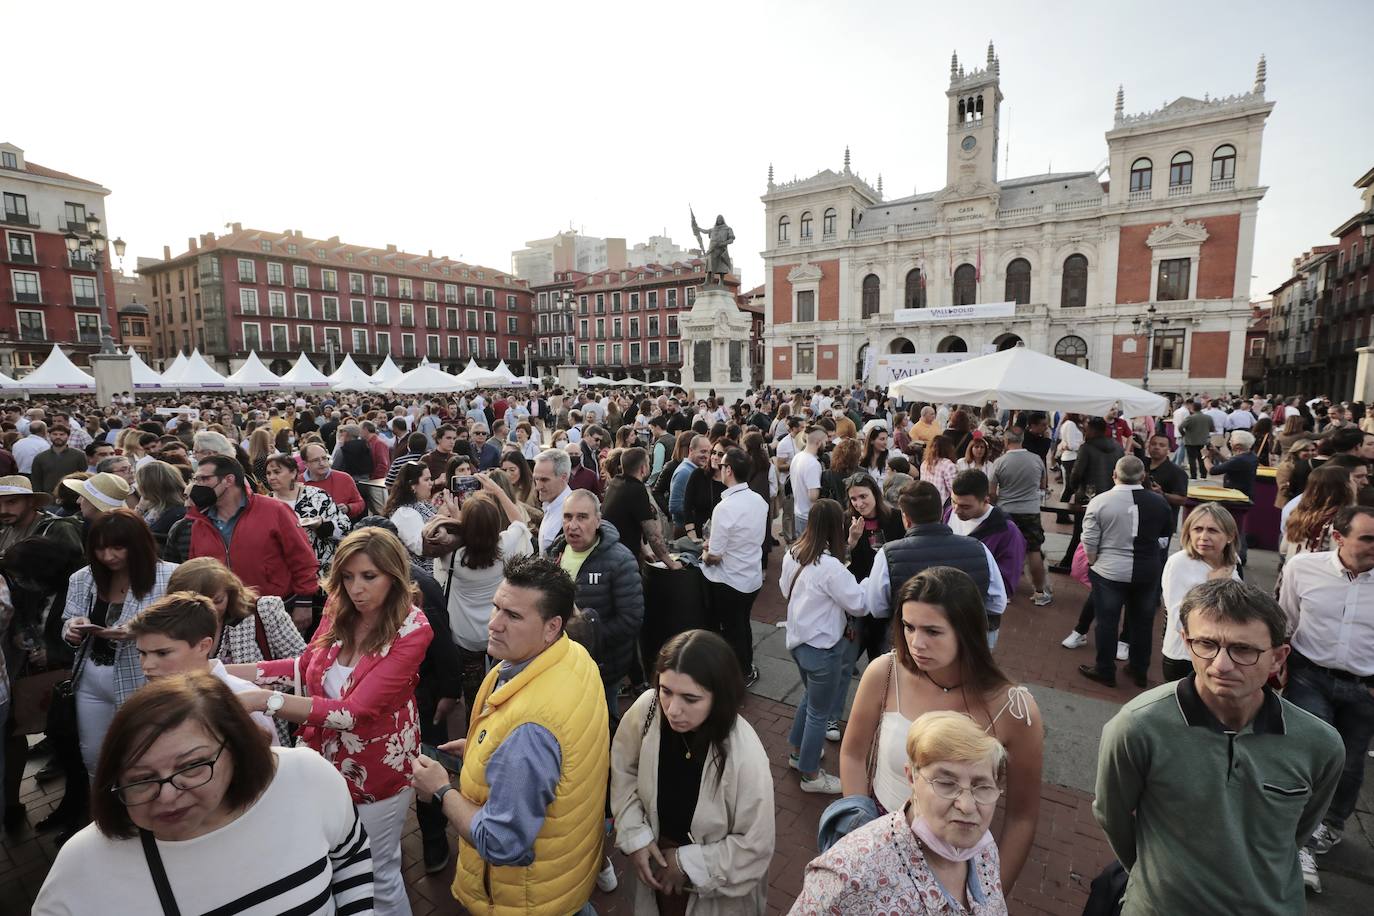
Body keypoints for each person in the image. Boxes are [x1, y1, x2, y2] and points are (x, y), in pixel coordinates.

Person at [31, 673, 375, 916]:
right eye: (140, 779)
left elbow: (350, 853)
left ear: (236, 749)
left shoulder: (305, 778)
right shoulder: (84, 867)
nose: (167, 796)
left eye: (191, 767)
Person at [1094, 579, 1343, 909]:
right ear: (1185, 641)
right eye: (1206, 644)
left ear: (1278, 658)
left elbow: (1295, 833)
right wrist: (1156, 877)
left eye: (1243, 650)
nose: (1221, 665)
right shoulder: (1139, 726)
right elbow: (1113, 815)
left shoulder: (1320, 745)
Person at [227, 527, 433, 915]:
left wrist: (263, 700)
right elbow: (303, 668)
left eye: (369, 577)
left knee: (378, 872)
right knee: (337, 864)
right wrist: (223, 671)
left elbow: (353, 712)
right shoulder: (339, 607)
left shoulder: (413, 628)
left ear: (394, 575)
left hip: (377, 771)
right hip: (323, 760)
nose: (356, 588)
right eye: (348, 577)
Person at [408, 555, 611, 916]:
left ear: (552, 627)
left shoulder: (529, 732)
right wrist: (480, 750)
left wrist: (441, 791)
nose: (494, 624)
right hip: (564, 877)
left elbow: (502, 842)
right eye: (496, 608)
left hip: (524, 900)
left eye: (513, 616)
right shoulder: (573, 656)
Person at [841, 567, 1042, 890]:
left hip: (958, 863)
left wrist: (989, 896)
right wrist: (859, 832)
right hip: (880, 844)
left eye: (933, 631)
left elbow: (1022, 817)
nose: (916, 643)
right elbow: (853, 754)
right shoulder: (885, 673)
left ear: (967, 631)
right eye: (908, 627)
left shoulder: (1014, 709)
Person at [610, 630, 775, 915]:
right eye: (666, 691)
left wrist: (686, 864)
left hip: (715, 899)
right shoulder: (648, 709)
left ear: (719, 696)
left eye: (690, 698)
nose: (673, 710)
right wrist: (635, 836)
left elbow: (755, 846)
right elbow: (624, 769)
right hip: (655, 866)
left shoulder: (745, 755)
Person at [795, 710, 1010, 914]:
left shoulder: (985, 849)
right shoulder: (849, 875)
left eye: (982, 787)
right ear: (911, 778)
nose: (967, 805)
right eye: (946, 783)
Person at [1278, 505, 1374, 887]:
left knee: (1350, 765)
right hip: (1310, 676)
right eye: (1367, 538)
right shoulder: (1304, 568)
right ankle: (1300, 837)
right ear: (1338, 537)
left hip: (1363, 688)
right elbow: (1286, 618)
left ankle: (1329, 828)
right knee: (1312, 756)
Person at [61, 508, 178, 774]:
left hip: (145, 678)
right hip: (91, 677)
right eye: (100, 549)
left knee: (144, 754)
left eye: (117, 548)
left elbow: (185, 625)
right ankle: (104, 810)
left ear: (137, 544)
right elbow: (69, 618)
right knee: (95, 757)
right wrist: (72, 629)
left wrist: (139, 629)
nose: (108, 556)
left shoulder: (169, 577)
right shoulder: (83, 577)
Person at [428, 477, 535, 715]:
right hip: (496, 630)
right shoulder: (505, 546)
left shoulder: (452, 556)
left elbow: (456, 540)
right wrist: (497, 490)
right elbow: (519, 521)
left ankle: (473, 726)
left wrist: (455, 517)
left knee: (474, 696)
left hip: (464, 635)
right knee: (500, 689)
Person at [781, 499, 865, 795]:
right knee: (819, 711)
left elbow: (783, 588)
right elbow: (859, 603)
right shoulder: (830, 567)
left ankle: (798, 754)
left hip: (798, 642)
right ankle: (811, 775)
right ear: (837, 527)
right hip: (823, 649)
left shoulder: (793, 552)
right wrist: (866, 583)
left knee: (809, 701)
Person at [863, 481, 1009, 646]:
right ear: (941, 512)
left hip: (913, 645)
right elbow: (997, 603)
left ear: (906, 518)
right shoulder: (979, 548)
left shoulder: (887, 554)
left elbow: (877, 607)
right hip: (964, 643)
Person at [185, 454, 319, 631]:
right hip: (226, 617)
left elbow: (302, 557)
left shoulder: (274, 510)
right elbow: (197, 569)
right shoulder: (200, 521)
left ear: (228, 480)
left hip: (275, 610)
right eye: (196, 479)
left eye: (204, 478)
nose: (198, 485)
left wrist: (304, 602)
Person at [545, 489, 644, 723]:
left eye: (582, 517)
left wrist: (585, 635)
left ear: (598, 521)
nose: (573, 525)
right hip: (560, 663)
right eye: (568, 517)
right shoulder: (555, 553)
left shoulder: (621, 560)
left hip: (602, 668)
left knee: (603, 724)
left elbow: (631, 619)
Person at [127, 591, 277, 743]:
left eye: (162, 653)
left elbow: (265, 763)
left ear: (203, 646)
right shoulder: (148, 700)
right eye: (142, 653)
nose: (147, 665)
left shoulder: (239, 697)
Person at [1078, 456, 1175, 689]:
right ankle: (1139, 670)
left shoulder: (1101, 501)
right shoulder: (1160, 503)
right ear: (1143, 477)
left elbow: (1089, 540)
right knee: (1142, 622)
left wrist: (1093, 561)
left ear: (1114, 474)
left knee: (1107, 622)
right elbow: (1164, 538)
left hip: (1109, 570)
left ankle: (1105, 669)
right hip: (1146, 570)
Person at [702, 446, 768, 683]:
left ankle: (737, 673)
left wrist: (705, 552)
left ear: (728, 470)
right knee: (742, 625)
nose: (718, 467)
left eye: (721, 465)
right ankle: (746, 667)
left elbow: (716, 555)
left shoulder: (725, 507)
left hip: (729, 580)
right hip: (751, 577)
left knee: (732, 630)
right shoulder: (759, 501)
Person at [1160, 504, 1241, 681]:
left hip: (1221, 657)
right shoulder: (1179, 563)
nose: (1203, 537)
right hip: (1186, 658)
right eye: (1197, 529)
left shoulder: (1233, 562)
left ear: (1230, 536)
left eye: (1212, 530)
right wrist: (1215, 586)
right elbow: (1181, 621)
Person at [986, 428, 1050, 605]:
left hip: (1006, 511)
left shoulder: (999, 462)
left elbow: (991, 493)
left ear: (1006, 441)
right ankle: (1039, 592)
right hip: (1030, 510)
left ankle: (1004, 592)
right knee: (1034, 550)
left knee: (1004, 552)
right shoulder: (1037, 459)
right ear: (1022, 440)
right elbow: (1043, 486)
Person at [263, 452, 350, 575]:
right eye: (268, 473)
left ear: (293, 473)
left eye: (277, 472)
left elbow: (345, 528)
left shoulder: (317, 496)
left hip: (322, 572)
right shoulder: (266, 504)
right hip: (285, 574)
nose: (271, 477)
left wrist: (322, 526)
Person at [949, 470, 1027, 600]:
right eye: (953, 501)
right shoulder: (949, 512)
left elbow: (1006, 583)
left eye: (965, 507)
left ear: (986, 500)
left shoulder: (1007, 531)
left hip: (977, 605)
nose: (956, 510)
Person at [601, 446, 679, 568]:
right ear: (643, 468)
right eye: (648, 463)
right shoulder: (637, 489)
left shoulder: (616, 483)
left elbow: (632, 521)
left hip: (609, 551)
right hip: (622, 559)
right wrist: (671, 563)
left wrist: (645, 551)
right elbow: (653, 535)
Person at [0, 475, 83, 559]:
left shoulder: (57, 529)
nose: (3, 510)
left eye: (11, 502)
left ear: (30, 501)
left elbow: (74, 565)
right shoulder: (4, 531)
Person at [1280, 464, 1352, 559]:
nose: (1365, 482)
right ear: (1344, 487)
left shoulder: (1298, 513)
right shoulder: (1339, 519)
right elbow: (1340, 558)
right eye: (1353, 480)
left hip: (1292, 569)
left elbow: (1283, 550)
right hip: (1318, 571)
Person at [383, 461, 439, 576]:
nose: (431, 483)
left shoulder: (422, 503)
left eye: (430, 479)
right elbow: (421, 547)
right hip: (421, 576)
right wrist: (438, 520)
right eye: (426, 480)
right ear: (413, 485)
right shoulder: (405, 513)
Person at [301, 441, 367, 521]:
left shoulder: (344, 478)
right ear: (305, 464)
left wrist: (348, 508)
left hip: (341, 528)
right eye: (316, 460)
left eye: (324, 458)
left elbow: (360, 503)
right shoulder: (298, 482)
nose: (322, 463)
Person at [30, 420, 86, 499]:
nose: (58, 437)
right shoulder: (40, 457)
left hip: (72, 497)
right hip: (48, 498)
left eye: (62, 434)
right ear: (49, 435)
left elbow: (84, 477)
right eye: (55, 434)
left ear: (68, 436)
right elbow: (36, 481)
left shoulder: (79, 455)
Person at [532, 447, 573, 553]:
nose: (538, 487)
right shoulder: (550, 505)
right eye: (536, 479)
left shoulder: (571, 514)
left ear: (563, 477)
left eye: (544, 480)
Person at [789, 427, 826, 534]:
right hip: (809, 516)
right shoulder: (813, 464)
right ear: (818, 443)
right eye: (825, 442)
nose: (826, 444)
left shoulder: (797, 457)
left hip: (798, 512)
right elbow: (813, 496)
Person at [1205, 428, 1259, 498]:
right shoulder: (1251, 456)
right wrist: (1217, 453)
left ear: (1238, 446)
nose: (1229, 442)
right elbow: (1230, 464)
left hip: (1236, 495)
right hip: (1245, 492)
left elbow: (1212, 470)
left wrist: (1205, 456)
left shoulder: (1239, 459)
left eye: (1231, 441)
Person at [1177, 400, 1214, 479]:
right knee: (1203, 458)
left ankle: (1193, 475)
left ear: (1192, 408)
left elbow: (1180, 427)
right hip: (1203, 441)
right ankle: (1203, 475)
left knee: (1192, 459)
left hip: (1191, 441)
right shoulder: (1208, 417)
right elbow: (1212, 428)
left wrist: (1184, 434)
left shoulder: (1190, 418)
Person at [1276, 438, 1316, 507]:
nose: (1310, 453)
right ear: (1296, 451)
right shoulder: (1286, 466)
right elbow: (1284, 490)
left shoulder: (1311, 465)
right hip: (1288, 504)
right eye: (1306, 450)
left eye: (1313, 450)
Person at [919, 435, 958, 507]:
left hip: (927, 504)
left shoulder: (925, 463)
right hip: (943, 506)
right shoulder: (948, 465)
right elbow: (954, 490)